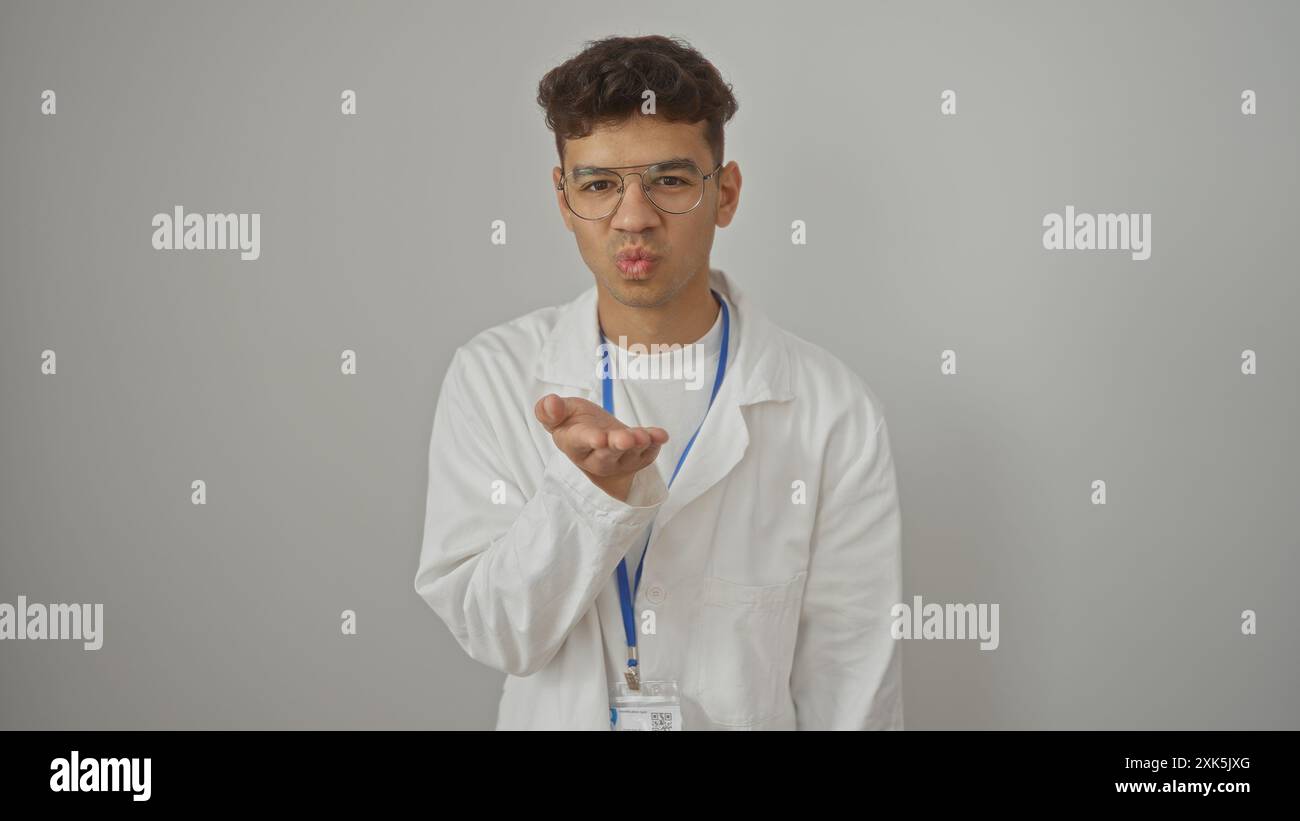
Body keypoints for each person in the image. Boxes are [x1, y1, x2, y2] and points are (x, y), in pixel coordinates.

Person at [414, 34, 903, 730]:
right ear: (563, 198)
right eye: (599, 184)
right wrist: (587, 494)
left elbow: (853, 687)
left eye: (670, 180)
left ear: (725, 193)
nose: (634, 215)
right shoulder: (493, 377)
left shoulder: (834, 411)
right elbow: (497, 633)